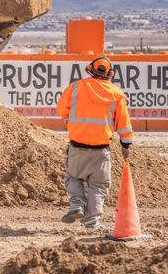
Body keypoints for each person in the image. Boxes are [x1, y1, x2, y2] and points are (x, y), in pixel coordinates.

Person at [56, 55, 133, 229]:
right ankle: (92, 221)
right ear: (110, 74)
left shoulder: (76, 87)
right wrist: (125, 144)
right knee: (99, 186)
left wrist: (71, 122)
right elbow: (124, 123)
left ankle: (76, 205)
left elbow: (62, 108)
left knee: (73, 177)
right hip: (101, 149)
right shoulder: (117, 94)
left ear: (90, 69)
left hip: (78, 145)